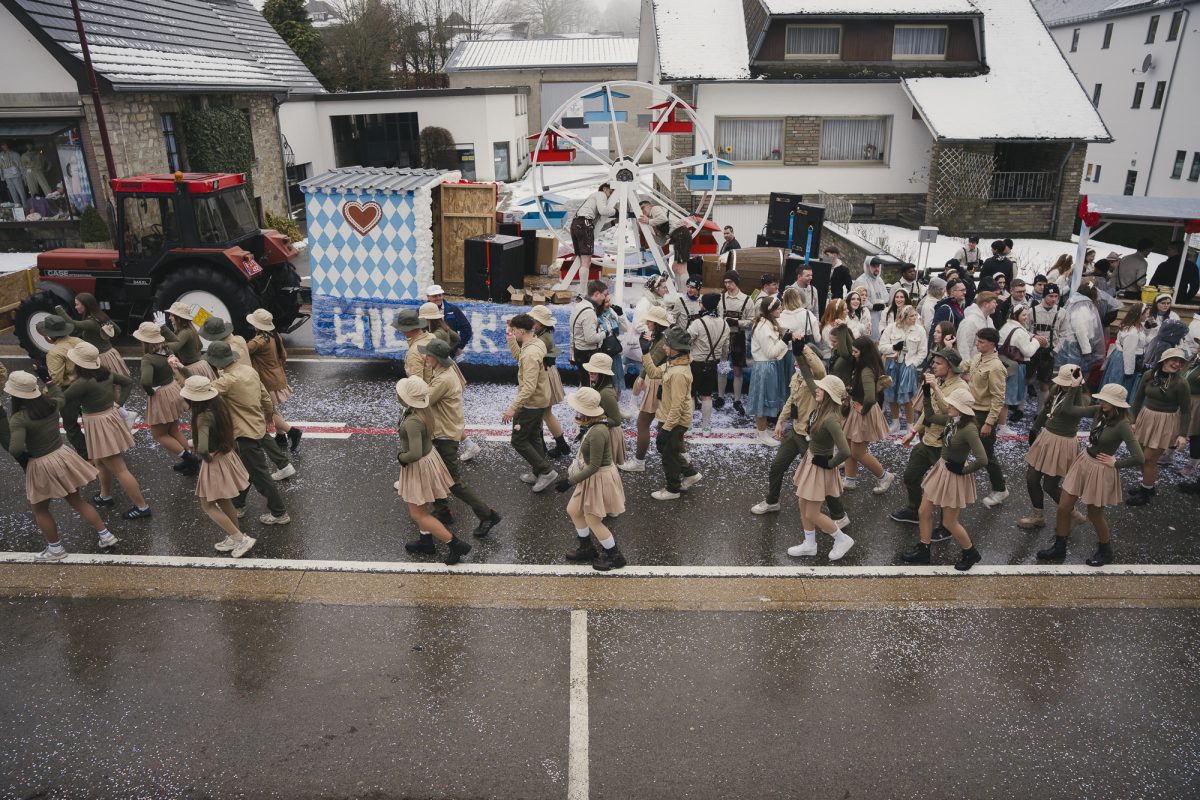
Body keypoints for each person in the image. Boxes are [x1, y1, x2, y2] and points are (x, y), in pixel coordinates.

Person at [179, 341, 294, 524]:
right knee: (245, 471)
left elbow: (200, 392)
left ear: (217, 361)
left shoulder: (226, 380)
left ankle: (279, 513)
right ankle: (238, 505)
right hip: (257, 427)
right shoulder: (248, 371)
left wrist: (181, 372)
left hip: (242, 434)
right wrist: (266, 418)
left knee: (260, 476)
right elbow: (265, 397)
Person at [5, 371, 115, 561]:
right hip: (62, 456)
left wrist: (28, 450)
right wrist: (48, 379)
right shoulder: (52, 404)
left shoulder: (19, 419)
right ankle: (106, 535)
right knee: (77, 500)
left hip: (41, 463)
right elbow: (61, 396)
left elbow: (15, 448)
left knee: (40, 510)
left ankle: (55, 549)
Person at [1036, 384, 1143, 566]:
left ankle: (1105, 551)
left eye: (1105, 400)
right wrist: (1074, 388)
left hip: (1100, 470)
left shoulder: (1123, 425)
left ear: (1116, 403)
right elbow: (1069, 409)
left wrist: (1116, 463)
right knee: (1064, 507)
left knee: (1094, 515)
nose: (1101, 402)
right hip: (1084, 461)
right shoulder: (1099, 411)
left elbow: (1139, 457)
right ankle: (1059, 546)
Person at [752, 341, 850, 529]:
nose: (796, 364)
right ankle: (772, 501)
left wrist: (804, 350)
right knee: (776, 467)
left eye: (801, 361)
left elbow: (818, 368)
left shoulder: (819, 382)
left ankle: (839, 514)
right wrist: (781, 420)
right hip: (796, 432)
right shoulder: (797, 378)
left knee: (821, 478)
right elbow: (792, 400)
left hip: (811, 438)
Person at [420, 338, 502, 537]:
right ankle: (442, 511)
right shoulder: (443, 372)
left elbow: (424, 400)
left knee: (452, 482)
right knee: (434, 474)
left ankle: (487, 514)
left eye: (428, 355)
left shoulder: (443, 379)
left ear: (438, 358)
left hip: (444, 435)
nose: (425, 357)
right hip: (445, 431)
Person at [899, 387, 987, 570]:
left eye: (952, 404)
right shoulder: (951, 420)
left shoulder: (969, 429)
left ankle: (970, 552)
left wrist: (962, 470)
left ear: (961, 409)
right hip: (941, 469)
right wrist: (926, 395)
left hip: (954, 476)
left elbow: (982, 459)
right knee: (924, 511)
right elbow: (930, 417)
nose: (948, 406)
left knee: (949, 522)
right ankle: (924, 550)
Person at [61, 342, 149, 519]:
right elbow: (128, 382)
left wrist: (47, 383)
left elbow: (60, 399)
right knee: (100, 461)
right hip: (109, 418)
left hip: (98, 424)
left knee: (119, 469)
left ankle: (142, 506)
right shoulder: (105, 373)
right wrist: (120, 403)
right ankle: (105, 495)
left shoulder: (82, 383)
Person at [394, 376, 472, 565]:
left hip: (418, 464)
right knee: (422, 506)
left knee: (418, 513)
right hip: (428, 460)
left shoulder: (412, 421)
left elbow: (414, 453)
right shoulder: (422, 410)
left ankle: (455, 544)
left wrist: (401, 458)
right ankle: (425, 540)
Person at [180, 375, 255, 559]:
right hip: (227, 456)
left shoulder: (202, 417)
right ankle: (234, 534)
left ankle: (240, 539)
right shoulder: (218, 405)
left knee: (208, 505)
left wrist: (204, 457)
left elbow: (204, 448)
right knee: (223, 500)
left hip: (214, 461)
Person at [890, 349, 967, 525]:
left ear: (950, 367)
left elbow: (949, 410)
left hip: (945, 447)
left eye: (938, 363)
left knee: (946, 488)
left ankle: (947, 525)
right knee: (911, 476)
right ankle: (914, 511)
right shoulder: (938, 381)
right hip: (927, 441)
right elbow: (928, 411)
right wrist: (913, 431)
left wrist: (934, 388)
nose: (933, 365)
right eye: (934, 362)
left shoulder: (961, 387)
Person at [557, 387, 628, 571]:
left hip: (598, 478)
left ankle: (616, 556)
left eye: (578, 409)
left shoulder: (597, 432)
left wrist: (568, 482)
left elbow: (594, 466)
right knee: (574, 510)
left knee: (593, 520)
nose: (576, 412)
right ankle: (587, 548)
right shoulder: (593, 426)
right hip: (592, 477)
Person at [787, 374, 855, 561]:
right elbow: (810, 382)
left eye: (821, 388)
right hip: (811, 461)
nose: (816, 389)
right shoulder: (821, 407)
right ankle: (809, 544)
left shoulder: (831, 419)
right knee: (802, 502)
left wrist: (828, 463)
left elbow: (845, 451)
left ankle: (842, 539)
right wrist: (800, 352)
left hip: (820, 467)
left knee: (812, 513)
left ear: (829, 394)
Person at [1017, 365, 1090, 530]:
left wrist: (1074, 388)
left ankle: (1073, 513)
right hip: (1047, 438)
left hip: (1063, 442)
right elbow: (1048, 409)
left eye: (1067, 383)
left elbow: (1068, 409)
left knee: (1050, 486)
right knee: (1031, 479)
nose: (1063, 385)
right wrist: (1035, 428)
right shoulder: (1057, 389)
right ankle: (1038, 516)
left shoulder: (1083, 398)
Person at [56, 293, 133, 425]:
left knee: (109, 389)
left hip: (101, 357)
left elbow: (74, 324)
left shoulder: (91, 322)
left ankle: (123, 416)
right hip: (111, 354)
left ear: (85, 305)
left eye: (77, 304)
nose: (76, 307)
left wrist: (59, 309)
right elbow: (118, 330)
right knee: (114, 387)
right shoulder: (101, 317)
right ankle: (123, 414)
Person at [1126, 348, 1190, 506]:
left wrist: (1182, 434)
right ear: (1163, 360)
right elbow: (1137, 398)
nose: (1177, 364)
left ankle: (1146, 492)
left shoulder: (1181, 383)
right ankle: (1148, 485)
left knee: (1149, 459)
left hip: (1165, 423)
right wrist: (1132, 420)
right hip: (1146, 417)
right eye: (1173, 359)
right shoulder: (1149, 376)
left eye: (1180, 361)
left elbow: (1187, 412)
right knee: (1140, 456)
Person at [503, 314, 559, 492]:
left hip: (531, 404)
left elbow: (528, 386)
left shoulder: (530, 353)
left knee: (518, 440)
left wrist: (513, 408)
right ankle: (538, 471)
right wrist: (511, 339)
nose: (513, 332)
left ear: (521, 330)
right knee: (534, 436)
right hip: (540, 399)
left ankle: (546, 471)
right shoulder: (535, 342)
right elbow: (520, 358)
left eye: (514, 331)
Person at [132, 321, 194, 473]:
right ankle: (190, 459)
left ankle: (189, 459)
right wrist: (163, 328)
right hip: (173, 389)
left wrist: (150, 392)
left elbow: (145, 381)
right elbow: (177, 341)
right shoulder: (168, 348)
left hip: (161, 395)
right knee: (174, 429)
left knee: (159, 435)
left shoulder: (148, 358)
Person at [650, 327, 702, 500]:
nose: (664, 347)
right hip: (668, 418)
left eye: (667, 344)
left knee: (668, 455)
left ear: (676, 348)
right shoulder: (673, 362)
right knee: (667, 450)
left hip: (674, 421)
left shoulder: (679, 372)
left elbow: (677, 406)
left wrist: (666, 429)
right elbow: (653, 372)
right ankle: (690, 473)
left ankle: (673, 490)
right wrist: (645, 353)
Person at [841, 336, 896, 494]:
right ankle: (849, 479)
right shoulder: (867, 365)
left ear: (864, 352)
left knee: (857, 452)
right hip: (857, 409)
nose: (853, 354)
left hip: (863, 412)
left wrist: (862, 409)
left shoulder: (865, 369)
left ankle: (884, 476)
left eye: (856, 351)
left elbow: (871, 397)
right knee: (848, 444)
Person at [246, 309, 303, 454]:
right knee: (271, 409)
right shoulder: (274, 335)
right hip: (277, 376)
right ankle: (280, 436)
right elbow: (283, 355)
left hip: (267, 380)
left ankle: (292, 432)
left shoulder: (259, 340)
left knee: (267, 411)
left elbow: (243, 350)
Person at [966, 327, 1010, 507]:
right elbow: (963, 365)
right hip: (969, 411)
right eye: (977, 341)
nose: (977, 344)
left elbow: (998, 398)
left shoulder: (996, 367)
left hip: (983, 414)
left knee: (986, 455)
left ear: (992, 344)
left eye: (981, 342)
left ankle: (1000, 489)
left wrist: (989, 423)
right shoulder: (977, 358)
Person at [624, 305, 670, 473]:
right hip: (658, 383)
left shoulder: (662, 341)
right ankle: (685, 463)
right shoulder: (661, 337)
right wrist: (642, 376)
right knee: (666, 426)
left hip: (657, 385)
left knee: (644, 424)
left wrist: (643, 373)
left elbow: (652, 362)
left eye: (650, 320)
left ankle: (639, 461)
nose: (647, 323)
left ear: (657, 323)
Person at [525, 304, 571, 459]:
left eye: (533, 320)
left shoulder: (543, 339)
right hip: (545, 372)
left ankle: (549, 446)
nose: (530, 322)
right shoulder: (543, 335)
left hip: (543, 375)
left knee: (543, 413)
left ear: (541, 323)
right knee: (544, 413)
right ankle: (559, 446)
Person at [38, 314, 86, 456]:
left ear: (49, 335)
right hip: (87, 384)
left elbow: (56, 380)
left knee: (71, 426)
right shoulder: (77, 341)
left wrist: (44, 395)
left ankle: (87, 454)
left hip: (69, 391)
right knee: (90, 419)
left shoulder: (55, 353)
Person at [747, 295, 792, 445]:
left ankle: (763, 431)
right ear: (770, 310)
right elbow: (771, 352)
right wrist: (785, 340)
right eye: (778, 307)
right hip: (765, 367)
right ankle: (762, 434)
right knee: (762, 401)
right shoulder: (762, 327)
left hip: (770, 366)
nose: (781, 309)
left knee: (767, 399)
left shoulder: (769, 323)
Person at [879, 305, 927, 433]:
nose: (915, 318)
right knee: (891, 395)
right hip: (892, 365)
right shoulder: (891, 328)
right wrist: (894, 347)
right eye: (911, 316)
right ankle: (895, 423)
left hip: (908, 365)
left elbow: (923, 351)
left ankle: (910, 425)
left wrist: (913, 364)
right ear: (903, 317)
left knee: (907, 398)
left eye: (915, 315)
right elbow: (882, 347)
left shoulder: (920, 330)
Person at [687, 293, 729, 433]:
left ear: (704, 305)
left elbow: (686, 341)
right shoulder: (724, 323)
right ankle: (706, 427)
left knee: (691, 394)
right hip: (712, 364)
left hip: (695, 364)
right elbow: (725, 348)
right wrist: (722, 360)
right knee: (707, 395)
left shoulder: (698, 323)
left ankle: (689, 425)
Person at [997, 304, 1040, 435]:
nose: (1026, 317)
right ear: (1016, 315)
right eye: (1023, 315)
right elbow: (1028, 351)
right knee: (1006, 399)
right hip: (1014, 366)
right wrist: (1037, 342)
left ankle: (998, 424)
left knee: (1000, 396)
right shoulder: (1019, 331)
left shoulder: (1006, 325)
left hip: (1002, 363)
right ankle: (1002, 427)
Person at [717, 271, 754, 413]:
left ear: (736, 282)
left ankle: (737, 399)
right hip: (724, 336)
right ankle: (720, 397)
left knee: (738, 369)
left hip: (739, 336)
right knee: (722, 366)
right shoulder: (721, 298)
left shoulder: (747, 300)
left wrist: (737, 322)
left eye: (730, 282)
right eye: (725, 282)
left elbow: (751, 322)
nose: (728, 285)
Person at [569, 183, 617, 293]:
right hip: (585, 225)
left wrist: (614, 222)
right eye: (610, 192)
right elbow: (603, 211)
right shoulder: (600, 194)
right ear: (605, 189)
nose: (610, 196)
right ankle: (583, 292)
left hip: (576, 225)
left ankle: (582, 291)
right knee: (586, 261)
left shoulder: (591, 202)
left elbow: (597, 226)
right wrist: (616, 211)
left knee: (582, 260)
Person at [582, 353, 626, 467]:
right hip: (600, 431)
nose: (590, 372)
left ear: (603, 373)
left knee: (601, 470)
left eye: (594, 371)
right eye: (590, 369)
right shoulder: (596, 383)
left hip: (608, 434)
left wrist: (595, 420)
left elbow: (616, 420)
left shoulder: (606, 393)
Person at [1028, 283, 1064, 411]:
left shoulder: (1062, 312)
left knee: (1044, 385)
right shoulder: (1032, 311)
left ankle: (1041, 412)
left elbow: (1065, 334)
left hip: (1049, 352)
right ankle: (1020, 409)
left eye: (1056, 296)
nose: (1054, 299)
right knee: (1025, 381)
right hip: (1032, 350)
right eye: (1050, 296)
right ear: (1044, 296)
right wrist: (1033, 336)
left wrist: (1055, 351)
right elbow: (1024, 330)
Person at [1101, 302, 1149, 398]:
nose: (1148, 316)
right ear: (1140, 315)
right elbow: (1129, 353)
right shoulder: (1132, 333)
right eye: (1146, 313)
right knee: (1119, 386)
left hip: (1120, 357)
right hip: (1124, 362)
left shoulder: (1133, 326)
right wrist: (1129, 372)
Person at [1054, 283, 1105, 372]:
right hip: (1075, 346)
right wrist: (1086, 351)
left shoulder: (1077, 304)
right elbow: (1081, 331)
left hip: (1075, 344)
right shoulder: (1082, 308)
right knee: (1072, 374)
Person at [568, 280, 609, 387]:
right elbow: (590, 338)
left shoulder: (580, 305)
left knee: (584, 381)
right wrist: (606, 332)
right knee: (589, 385)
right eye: (604, 295)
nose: (605, 298)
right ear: (596, 294)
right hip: (587, 353)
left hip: (579, 350)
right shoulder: (589, 312)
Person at [161, 302, 217, 380]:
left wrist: (161, 332)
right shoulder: (189, 329)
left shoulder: (185, 332)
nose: (169, 318)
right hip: (198, 365)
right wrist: (163, 328)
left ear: (179, 317)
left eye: (172, 315)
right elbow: (176, 340)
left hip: (193, 368)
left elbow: (174, 346)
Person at [424, 284, 472, 354]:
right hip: (428, 350)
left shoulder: (453, 309)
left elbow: (466, 328)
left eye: (440, 295)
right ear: (428, 297)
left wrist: (460, 346)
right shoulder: (421, 311)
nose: (438, 298)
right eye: (434, 296)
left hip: (449, 350)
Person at [393, 307, 436, 384]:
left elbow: (417, 386)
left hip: (428, 393)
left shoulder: (414, 352)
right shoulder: (431, 337)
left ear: (405, 329)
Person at [852, 257, 890, 338]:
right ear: (867, 266)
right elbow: (857, 299)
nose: (876, 269)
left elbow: (886, 296)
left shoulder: (879, 280)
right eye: (873, 266)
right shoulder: (861, 280)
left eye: (878, 266)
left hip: (880, 316)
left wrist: (883, 304)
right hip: (867, 316)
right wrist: (872, 306)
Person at [956, 291, 997, 363]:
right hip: (973, 366)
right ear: (986, 304)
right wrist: (966, 369)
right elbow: (964, 347)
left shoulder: (989, 320)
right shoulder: (969, 322)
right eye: (994, 302)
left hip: (987, 364)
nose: (996, 305)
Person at [821, 299, 855, 385]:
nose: (847, 311)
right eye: (845, 309)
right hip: (833, 359)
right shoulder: (828, 329)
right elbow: (838, 348)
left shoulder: (846, 323)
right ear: (837, 312)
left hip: (845, 360)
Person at [929, 280, 966, 349]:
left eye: (965, 290)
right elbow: (934, 331)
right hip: (945, 350)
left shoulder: (958, 306)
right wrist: (931, 352)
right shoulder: (945, 308)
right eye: (962, 290)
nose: (965, 292)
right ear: (952, 292)